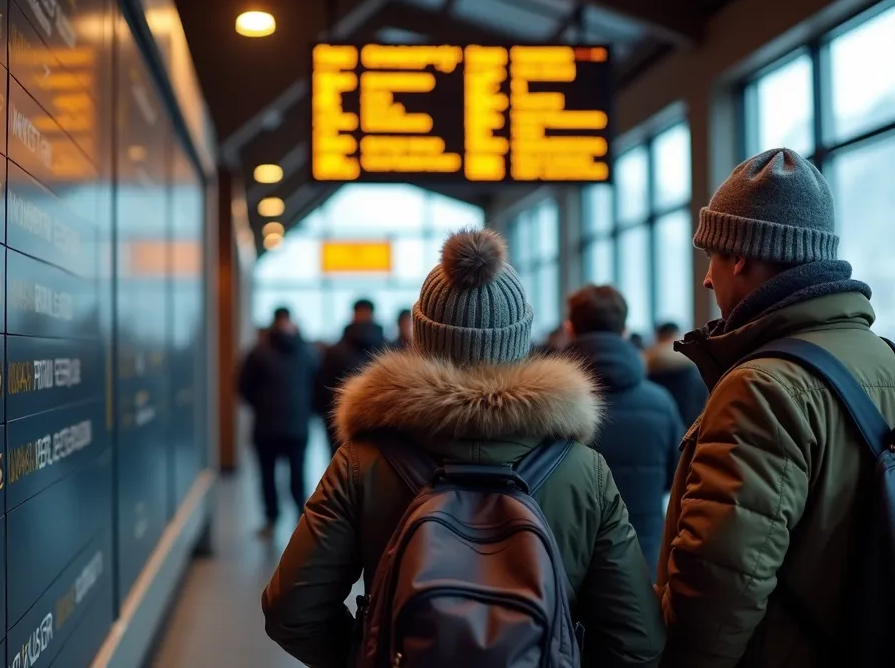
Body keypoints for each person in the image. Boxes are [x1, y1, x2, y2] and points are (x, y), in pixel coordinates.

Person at [263, 229, 665, 667]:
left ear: (422, 336)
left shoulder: (363, 461)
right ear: (521, 338)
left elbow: (291, 611)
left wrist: (369, 652)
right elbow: (638, 639)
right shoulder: (583, 470)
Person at [656, 148, 895, 667]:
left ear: (741, 258)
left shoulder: (760, 387)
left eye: (712, 257)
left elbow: (716, 598)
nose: (707, 279)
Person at [564, 285, 683, 572]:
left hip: (568, 561)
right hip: (642, 557)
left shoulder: (550, 405)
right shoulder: (661, 402)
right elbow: (678, 475)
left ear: (570, 329)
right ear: (626, 331)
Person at [238, 308, 319, 537]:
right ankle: (301, 517)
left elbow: (244, 387)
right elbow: (318, 386)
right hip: (297, 426)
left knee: (268, 476)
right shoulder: (306, 352)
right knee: (297, 475)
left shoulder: (257, 352)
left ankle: (271, 518)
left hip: (266, 426)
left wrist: (262, 405)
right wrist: (305, 410)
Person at [314, 299, 387, 454]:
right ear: (373, 315)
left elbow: (322, 391)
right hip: (382, 429)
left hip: (341, 425)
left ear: (353, 315)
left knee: (342, 465)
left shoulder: (335, 352)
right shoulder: (388, 349)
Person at [645, 322, 709, 426]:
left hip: (662, 427)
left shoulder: (648, 365)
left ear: (658, 337)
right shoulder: (696, 367)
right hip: (692, 428)